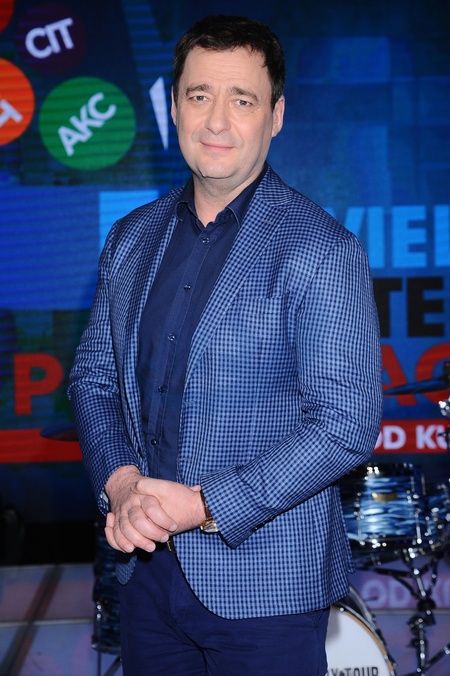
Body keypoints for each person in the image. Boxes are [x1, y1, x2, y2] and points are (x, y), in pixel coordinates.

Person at [68, 14, 382, 675]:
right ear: (174, 107)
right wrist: (121, 485)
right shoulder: (130, 237)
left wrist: (206, 506)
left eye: (242, 100)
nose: (216, 121)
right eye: (199, 95)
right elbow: (93, 381)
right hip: (145, 575)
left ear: (276, 116)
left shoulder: (321, 249)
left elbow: (346, 426)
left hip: (268, 589)